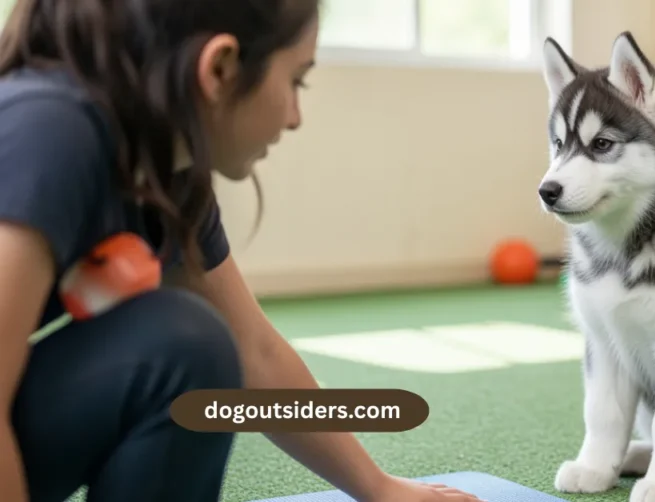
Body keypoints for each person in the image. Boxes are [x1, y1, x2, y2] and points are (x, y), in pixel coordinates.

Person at [0, 1, 483, 501]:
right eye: (297, 82)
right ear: (221, 69)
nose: (296, 117)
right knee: (184, 341)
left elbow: (256, 351)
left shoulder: (168, 175)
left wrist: (379, 489)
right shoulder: (49, 131)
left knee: (187, 348)